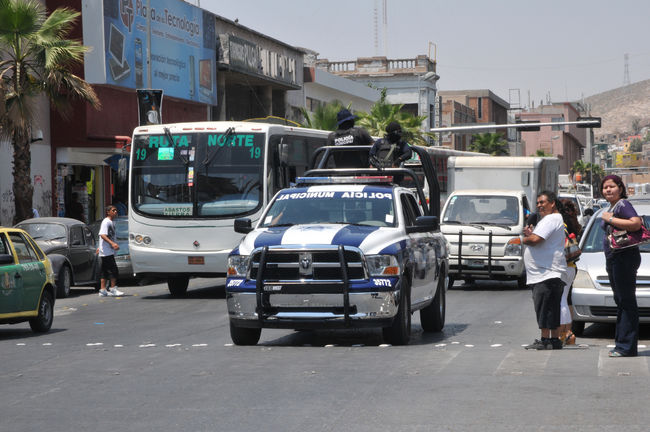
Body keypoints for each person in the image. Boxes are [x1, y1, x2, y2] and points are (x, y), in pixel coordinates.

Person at [600, 175, 642, 357]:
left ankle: (626, 347)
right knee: (621, 301)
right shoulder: (612, 207)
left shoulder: (622, 205)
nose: (608, 190)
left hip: (624, 257)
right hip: (614, 258)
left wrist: (610, 219)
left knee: (626, 301)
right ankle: (622, 344)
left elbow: (635, 223)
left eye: (612, 186)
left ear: (620, 188)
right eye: (605, 187)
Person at [523, 190, 567, 350]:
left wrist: (524, 239)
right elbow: (540, 238)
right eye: (537, 203)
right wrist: (531, 234)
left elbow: (536, 240)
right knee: (551, 307)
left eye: (542, 202)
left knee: (544, 307)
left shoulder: (551, 219)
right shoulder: (553, 219)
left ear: (552, 203)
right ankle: (554, 339)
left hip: (545, 272)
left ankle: (545, 339)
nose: (539, 205)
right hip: (548, 272)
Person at [558, 198, 583, 345]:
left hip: (563, 266)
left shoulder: (561, 223)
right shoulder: (573, 222)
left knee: (561, 301)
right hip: (572, 265)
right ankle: (569, 333)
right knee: (567, 300)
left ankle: (563, 334)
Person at [97, 205, 124, 297]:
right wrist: (112, 243)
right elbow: (102, 235)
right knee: (113, 270)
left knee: (104, 271)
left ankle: (103, 290)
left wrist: (99, 247)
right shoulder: (106, 222)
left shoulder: (111, 222)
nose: (115, 212)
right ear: (108, 212)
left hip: (106, 250)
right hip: (107, 251)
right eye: (113, 210)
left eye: (116, 210)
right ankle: (113, 289)